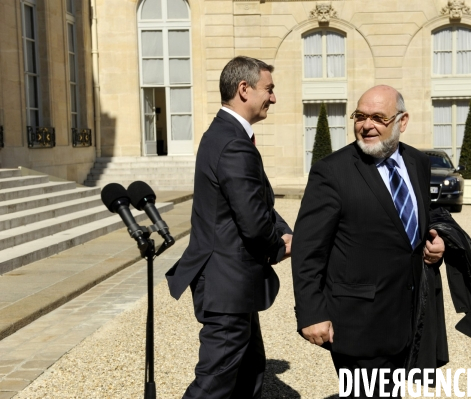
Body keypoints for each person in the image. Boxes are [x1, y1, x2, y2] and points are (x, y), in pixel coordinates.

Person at [291, 85, 445, 398]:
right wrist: (312, 313)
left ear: (402, 122)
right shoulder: (331, 172)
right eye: (360, 116)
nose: (366, 125)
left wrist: (438, 244)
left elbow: (425, 221)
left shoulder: (418, 163)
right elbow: (308, 250)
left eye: (378, 117)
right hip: (359, 323)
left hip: (411, 317)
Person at [166, 56, 292, 399]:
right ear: (244, 89)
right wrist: (281, 245)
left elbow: (254, 203)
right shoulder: (233, 142)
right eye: (269, 89)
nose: (274, 98)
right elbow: (253, 222)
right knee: (214, 385)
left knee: (249, 371)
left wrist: (286, 231)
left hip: (232, 282)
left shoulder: (225, 134)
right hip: (227, 284)